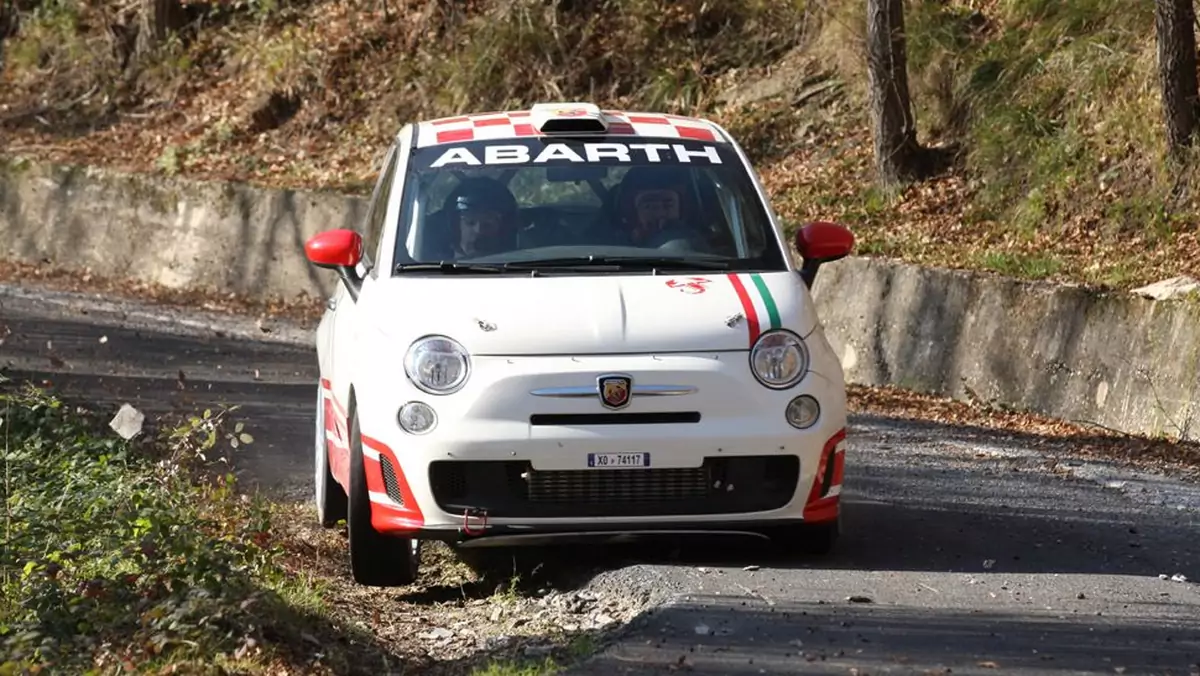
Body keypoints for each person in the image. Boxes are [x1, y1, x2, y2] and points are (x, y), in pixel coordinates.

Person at [440, 177, 521, 258]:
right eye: (470, 222)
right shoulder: (433, 265)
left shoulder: (525, 260)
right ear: (455, 227)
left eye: (488, 223)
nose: (479, 230)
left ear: (504, 228)